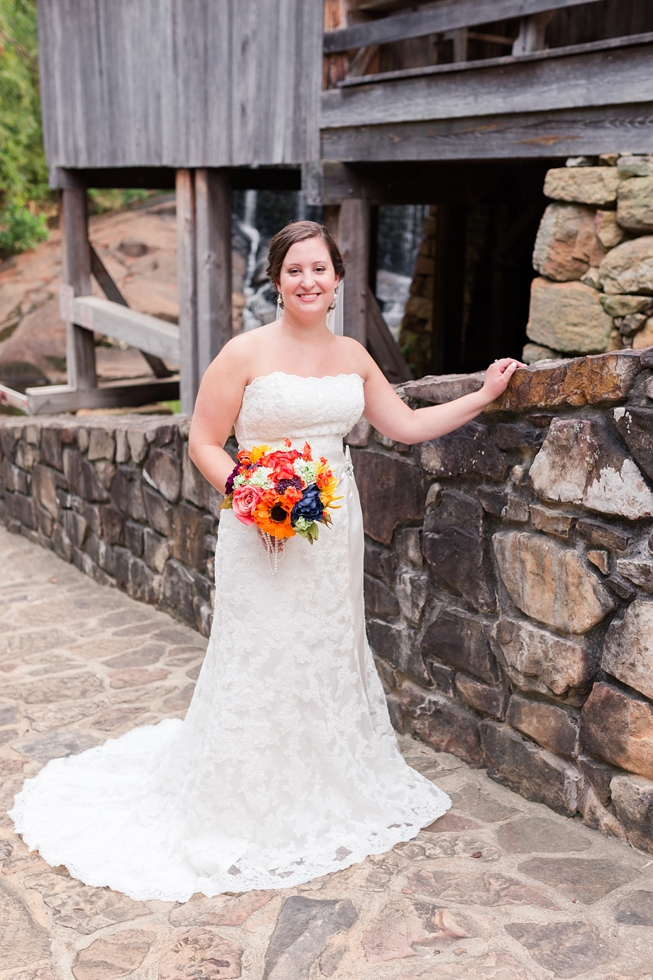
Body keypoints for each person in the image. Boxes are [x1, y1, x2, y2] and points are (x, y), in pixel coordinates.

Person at [9, 221, 521, 903]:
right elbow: (203, 440)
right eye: (294, 271)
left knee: (322, 647)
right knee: (263, 651)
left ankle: (320, 780)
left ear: (337, 279)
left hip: (332, 528)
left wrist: (483, 394)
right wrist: (252, 499)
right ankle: (245, 798)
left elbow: (405, 425)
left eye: (320, 269)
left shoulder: (353, 354)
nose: (308, 281)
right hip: (261, 528)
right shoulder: (244, 352)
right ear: (276, 280)